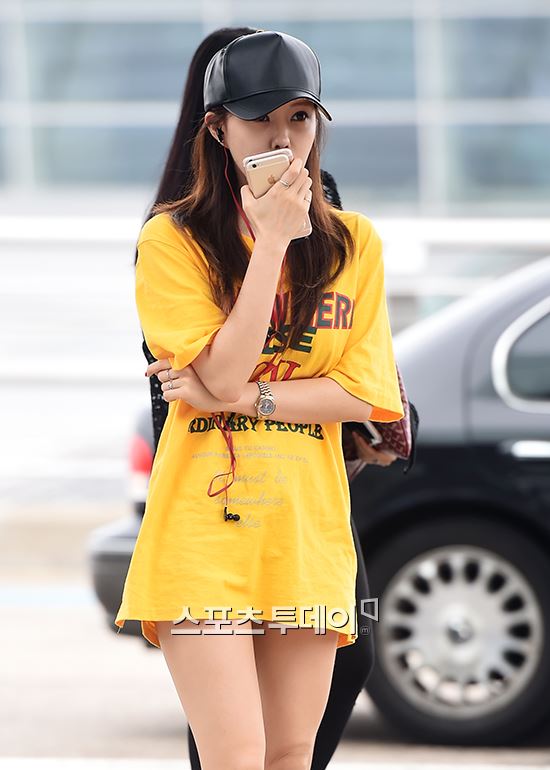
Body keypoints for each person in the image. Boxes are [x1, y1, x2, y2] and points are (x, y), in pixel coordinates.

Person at [115, 28, 404, 770]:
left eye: (299, 118)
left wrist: (246, 396)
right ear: (218, 129)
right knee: (236, 757)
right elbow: (218, 373)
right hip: (204, 533)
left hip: (305, 532)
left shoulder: (355, 244)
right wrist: (271, 242)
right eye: (259, 119)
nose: (281, 139)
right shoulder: (172, 240)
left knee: (291, 756)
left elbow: (363, 396)